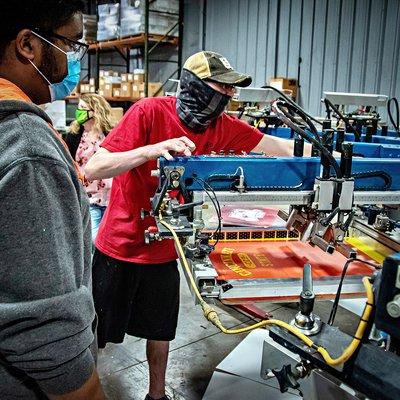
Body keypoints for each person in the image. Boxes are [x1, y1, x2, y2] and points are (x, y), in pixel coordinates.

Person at [85, 51, 313, 400]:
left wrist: (332, 154)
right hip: (119, 245)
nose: (229, 96)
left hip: (163, 249)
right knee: (97, 333)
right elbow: (96, 167)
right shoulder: (148, 111)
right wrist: (152, 149)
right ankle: (88, 393)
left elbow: (279, 147)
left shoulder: (222, 127)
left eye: (232, 90)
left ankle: (157, 395)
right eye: (222, 86)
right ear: (194, 85)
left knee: (161, 331)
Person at [0, 1, 105, 399]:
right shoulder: (26, 146)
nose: (74, 59)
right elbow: (44, 326)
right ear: (28, 44)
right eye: (71, 43)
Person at [69, 93, 115, 243]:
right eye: (78, 108)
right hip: (88, 198)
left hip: (111, 199)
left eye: (83, 108)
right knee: (93, 240)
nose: (78, 112)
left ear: (95, 111)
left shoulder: (110, 134)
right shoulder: (74, 135)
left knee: (109, 242)